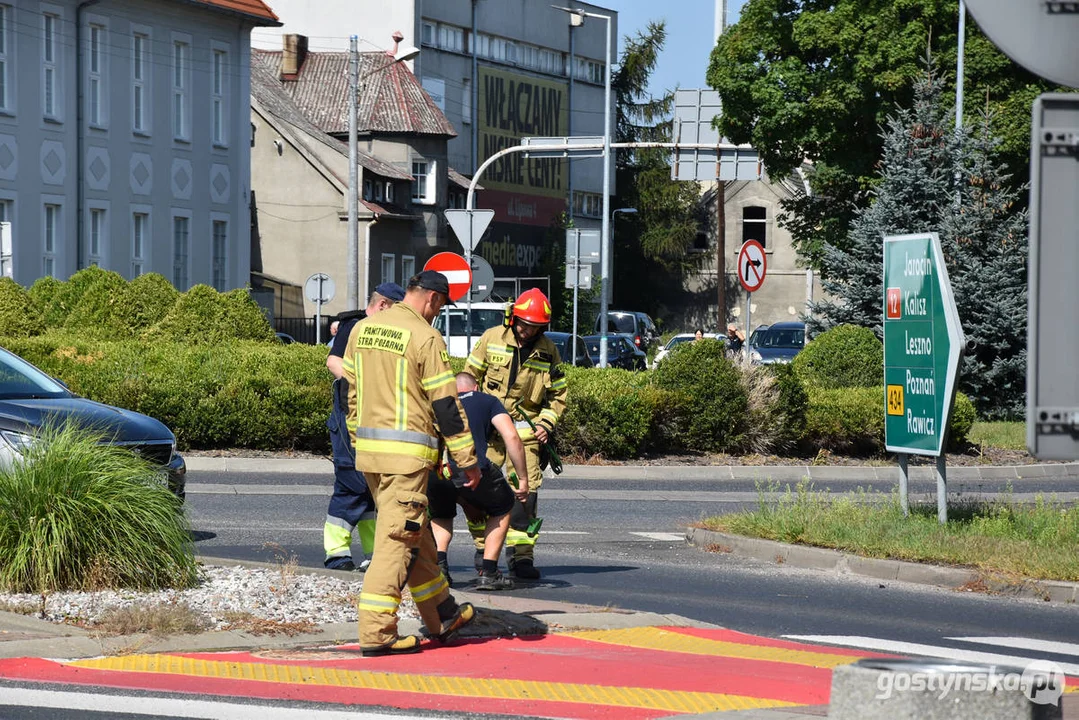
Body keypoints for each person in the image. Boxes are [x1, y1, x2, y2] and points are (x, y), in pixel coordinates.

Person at [343, 270, 480, 657]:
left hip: (370, 457)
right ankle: (377, 633)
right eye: (440, 307)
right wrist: (467, 459)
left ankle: (443, 614)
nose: (437, 314)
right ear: (433, 300)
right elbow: (447, 407)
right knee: (395, 545)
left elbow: (350, 394)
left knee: (415, 536)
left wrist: (358, 442)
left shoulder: (364, 329)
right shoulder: (426, 337)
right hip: (406, 461)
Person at [464, 288, 567, 580]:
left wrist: (545, 425)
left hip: (525, 436)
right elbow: (469, 380)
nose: (528, 330)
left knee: (526, 495)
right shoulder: (491, 338)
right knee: (480, 493)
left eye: (535, 326)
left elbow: (558, 395)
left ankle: (521, 556)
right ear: (512, 318)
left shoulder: (548, 350)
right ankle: (484, 550)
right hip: (488, 435)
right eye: (524, 323)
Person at [323, 282, 405, 572]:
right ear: (382, 305)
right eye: (397, 309)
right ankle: (337, 553)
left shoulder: (378, 330)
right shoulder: (356, 325)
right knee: (352, 483)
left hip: (368, 422)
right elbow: (333, 361)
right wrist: (367, 379)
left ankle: (373, 552)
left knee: (370, 489)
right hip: (348, 421)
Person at [428, 373, 530, 591]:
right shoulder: (488, 400)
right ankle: (489, 572)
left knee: (441, 514)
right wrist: (523, 479)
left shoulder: (438, 403)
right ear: (476, 386)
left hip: (437, 471)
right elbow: (511, 437)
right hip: (472, 467)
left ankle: (440, 570)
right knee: (503, 506)